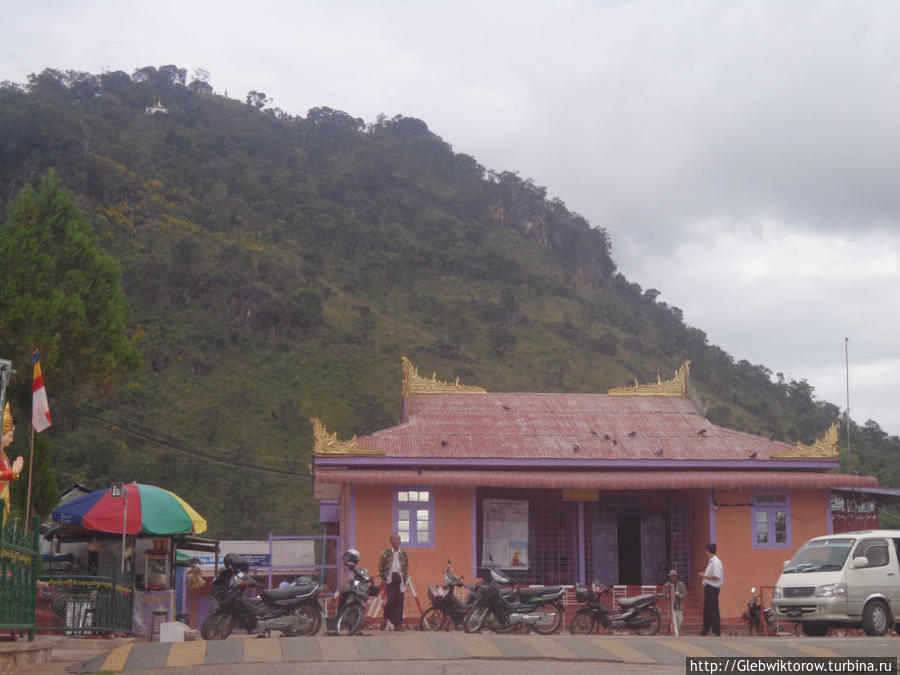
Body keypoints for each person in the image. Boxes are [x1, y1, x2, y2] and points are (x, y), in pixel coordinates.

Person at [378, 532, 409, 630]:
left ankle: (398, 624)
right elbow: (381, 566)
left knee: (400, 601)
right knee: (391, 601)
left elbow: (406, 566)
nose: (397, 541)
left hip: (400, 578)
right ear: (391, 541)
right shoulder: (386, 553)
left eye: (398, 539)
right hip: (390, 578)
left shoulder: (403, 553)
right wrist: (384, 577)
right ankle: (385, 618)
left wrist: (404, 577)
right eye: (395, 539)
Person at [0, 403, 25, 523]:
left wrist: (15, 473)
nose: (11, 439)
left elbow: (10, 475)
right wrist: (12, 472)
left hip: (4, 494)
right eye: (9, 435)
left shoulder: (4, 456)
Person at [698, 542, 723, 636]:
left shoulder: (715, 562)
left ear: (708, 551)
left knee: (713, 610)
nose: (705, 552)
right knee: (707, 610)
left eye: (706, 550)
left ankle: (716, 630)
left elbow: (717, 576)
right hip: (709, 587)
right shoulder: (712, 561)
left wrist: (704, 576)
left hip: (713, 588)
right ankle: (705, 630)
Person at [665, 569, 686, 634]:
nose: (673, 577)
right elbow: (665, 594)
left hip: (679, 606)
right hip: (671, 606)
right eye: (671, 576)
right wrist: (671, 596)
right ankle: (675, 635)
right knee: (673, 623)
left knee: (679, 621)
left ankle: (677, 634)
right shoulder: (667, 585)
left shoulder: (681, 584)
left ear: (676, 576)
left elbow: (684, 594)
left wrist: (679, 595)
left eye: (674, 576)